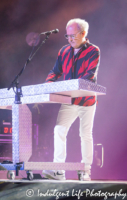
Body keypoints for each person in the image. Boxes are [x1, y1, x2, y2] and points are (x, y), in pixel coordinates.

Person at [42, 18, 100, 181]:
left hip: (87, 100)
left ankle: (85, 170)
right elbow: (55, 71)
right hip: (69, 101)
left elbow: (90, 75)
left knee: (85, 134)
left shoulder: (93, 51)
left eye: (73, 35)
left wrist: (70, 89)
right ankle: (59, 170)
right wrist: (47, 86)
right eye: (67, 36)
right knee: (59, 130)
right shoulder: (64, 51)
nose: (70, 39)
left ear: (83, 33)